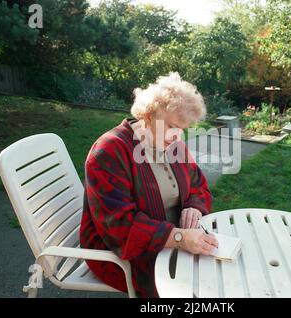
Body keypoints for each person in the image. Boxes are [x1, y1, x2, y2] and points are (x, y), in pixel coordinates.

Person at [80, 72, 219, 298]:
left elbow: (197, 183)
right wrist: (179, 238)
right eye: (172, 126)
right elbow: (119, 225)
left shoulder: (173, 146)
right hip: (122, 254)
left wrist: (194, 205)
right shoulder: (109, 151)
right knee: (194, 290)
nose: (177, 136)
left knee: (215, 275)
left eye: (182, 128)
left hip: (173, 239)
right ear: (148, 114)